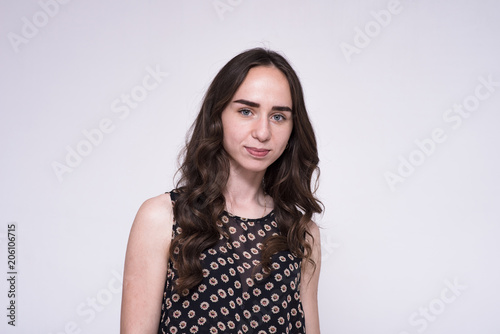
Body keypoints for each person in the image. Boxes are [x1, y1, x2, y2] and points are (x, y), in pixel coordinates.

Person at [120, 48, 323, 334]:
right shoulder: (161, 218)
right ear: (218, 115)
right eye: (246, 111)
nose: (263, 132)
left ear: (292, 128)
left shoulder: (302, 233)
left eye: (278, 116)